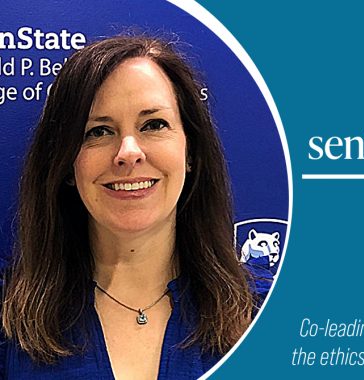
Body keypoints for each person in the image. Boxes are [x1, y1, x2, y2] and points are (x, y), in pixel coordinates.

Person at [0, 35, 268, 379]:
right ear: (66, 164)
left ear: (191, 153)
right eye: (97, 131)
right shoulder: (9, 320)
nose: (128, 152)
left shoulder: (267, 314)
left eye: (153, 124)